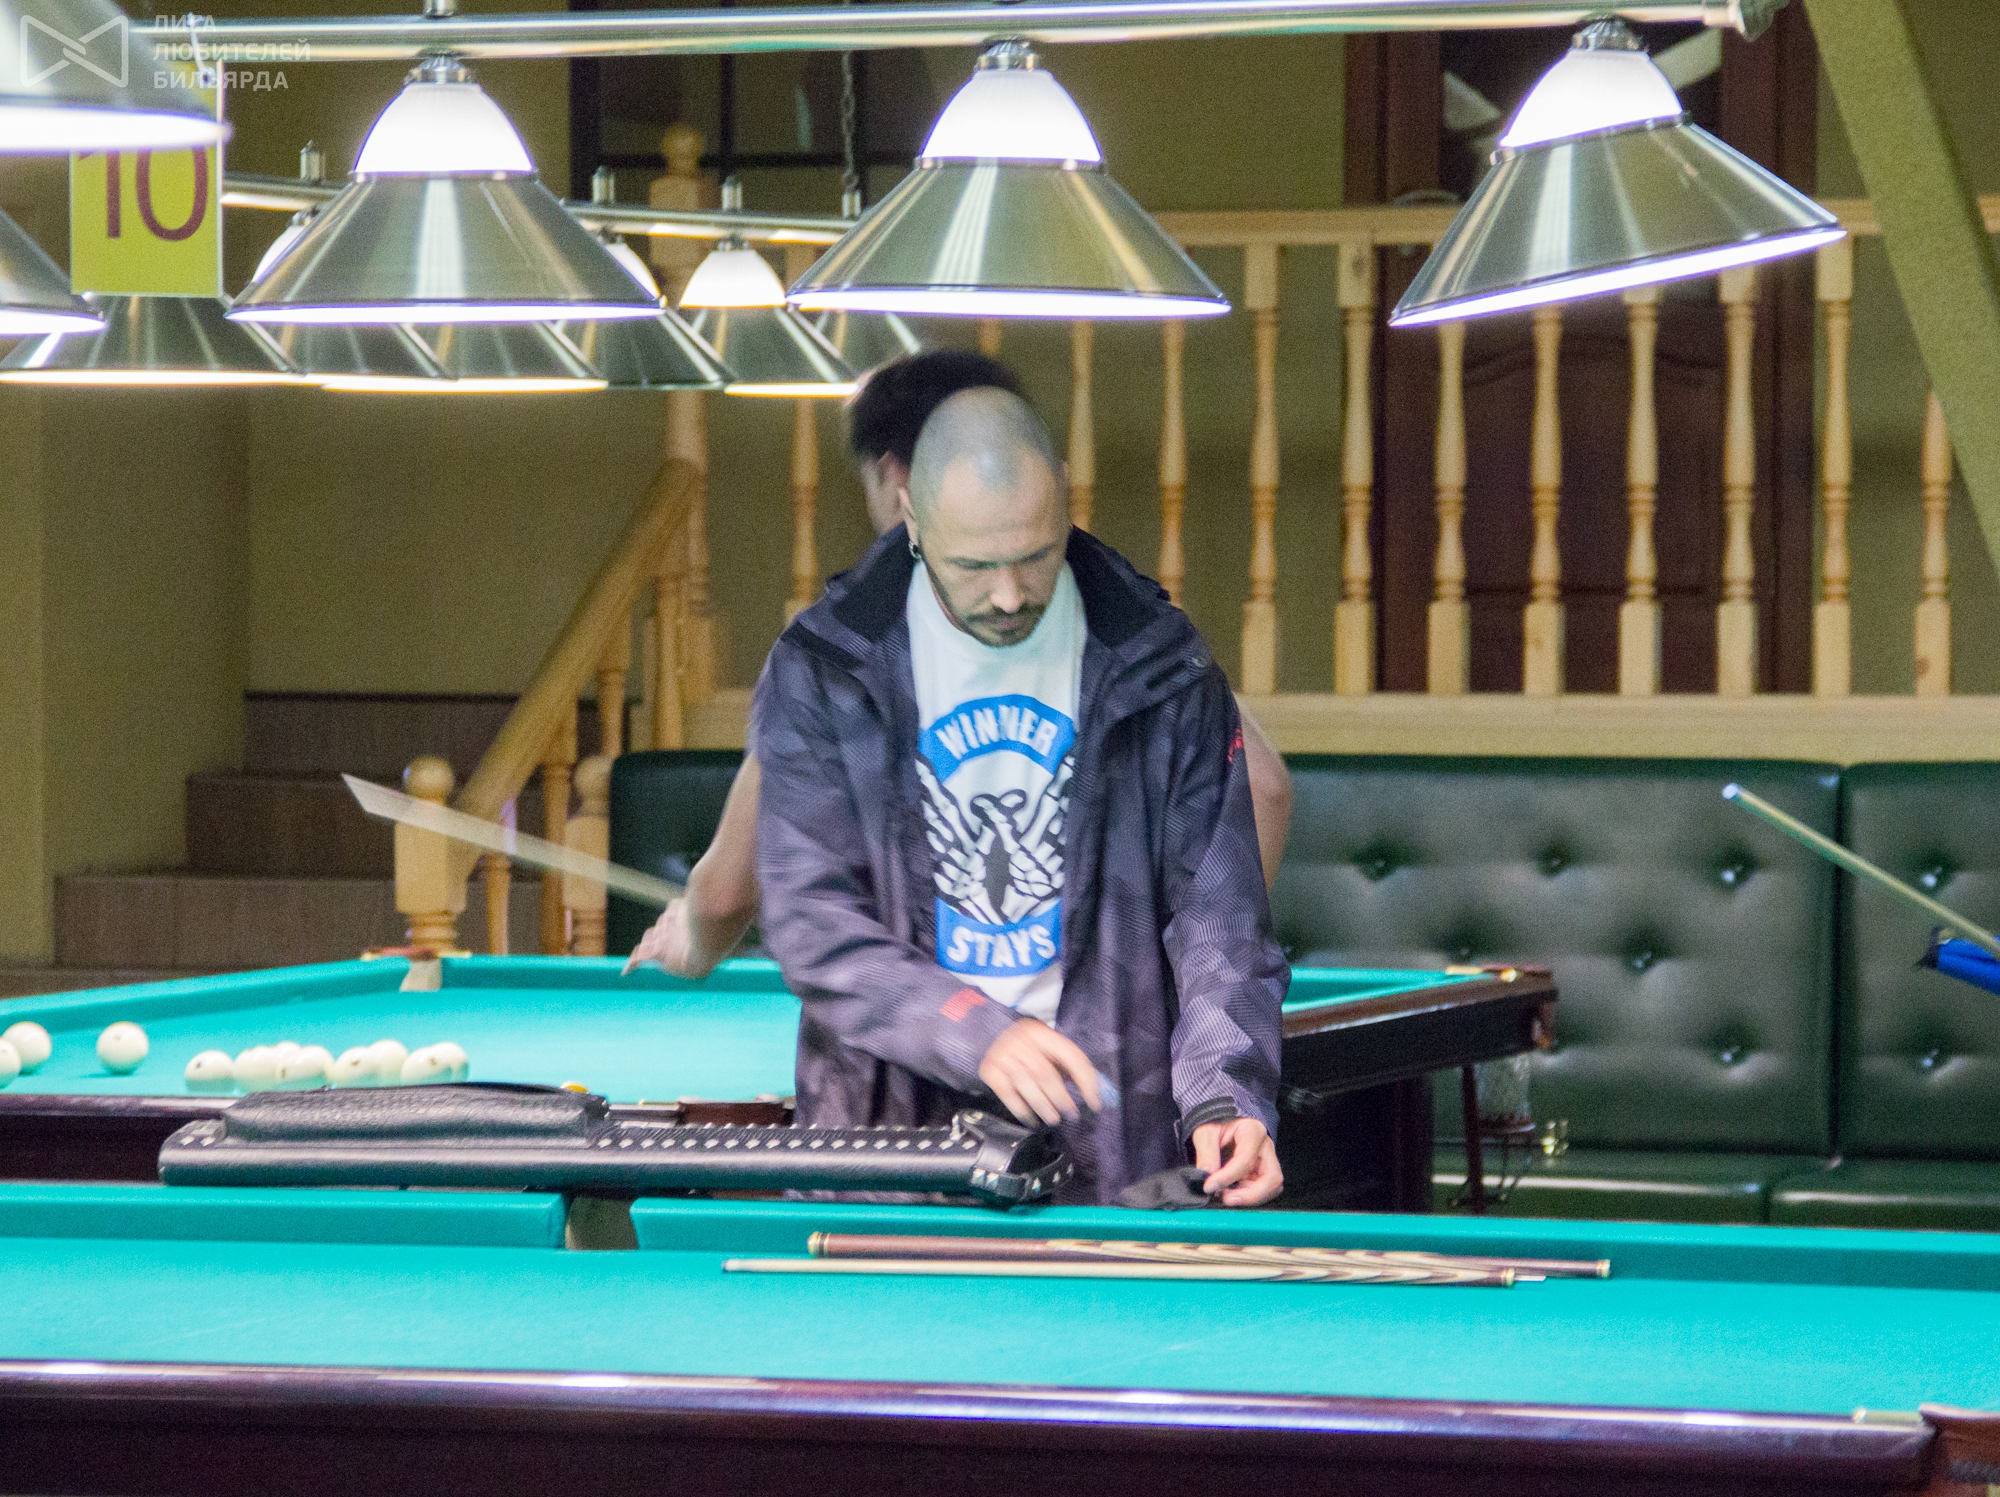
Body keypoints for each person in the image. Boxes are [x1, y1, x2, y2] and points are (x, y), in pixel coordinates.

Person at [754, 387, 1288, 1206]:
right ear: (911, 517)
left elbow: (1218, 915)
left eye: (1035, 556)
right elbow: (810, 917)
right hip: (887, 1147)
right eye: (973, 566)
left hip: (1106, 1146)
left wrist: (1225, 1094)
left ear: (1066, 497)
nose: (1008, 595)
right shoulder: (825, 668)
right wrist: (973, 1028)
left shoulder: (1159, 662)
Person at [626, 351, 1294, 983]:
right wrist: (1173, 984)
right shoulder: (1118, 628)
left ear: (895, 480)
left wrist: (692, 943)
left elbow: (726, 892)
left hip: (928, 1046)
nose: (1006, 594)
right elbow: (1262, 787)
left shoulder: (841, 659)